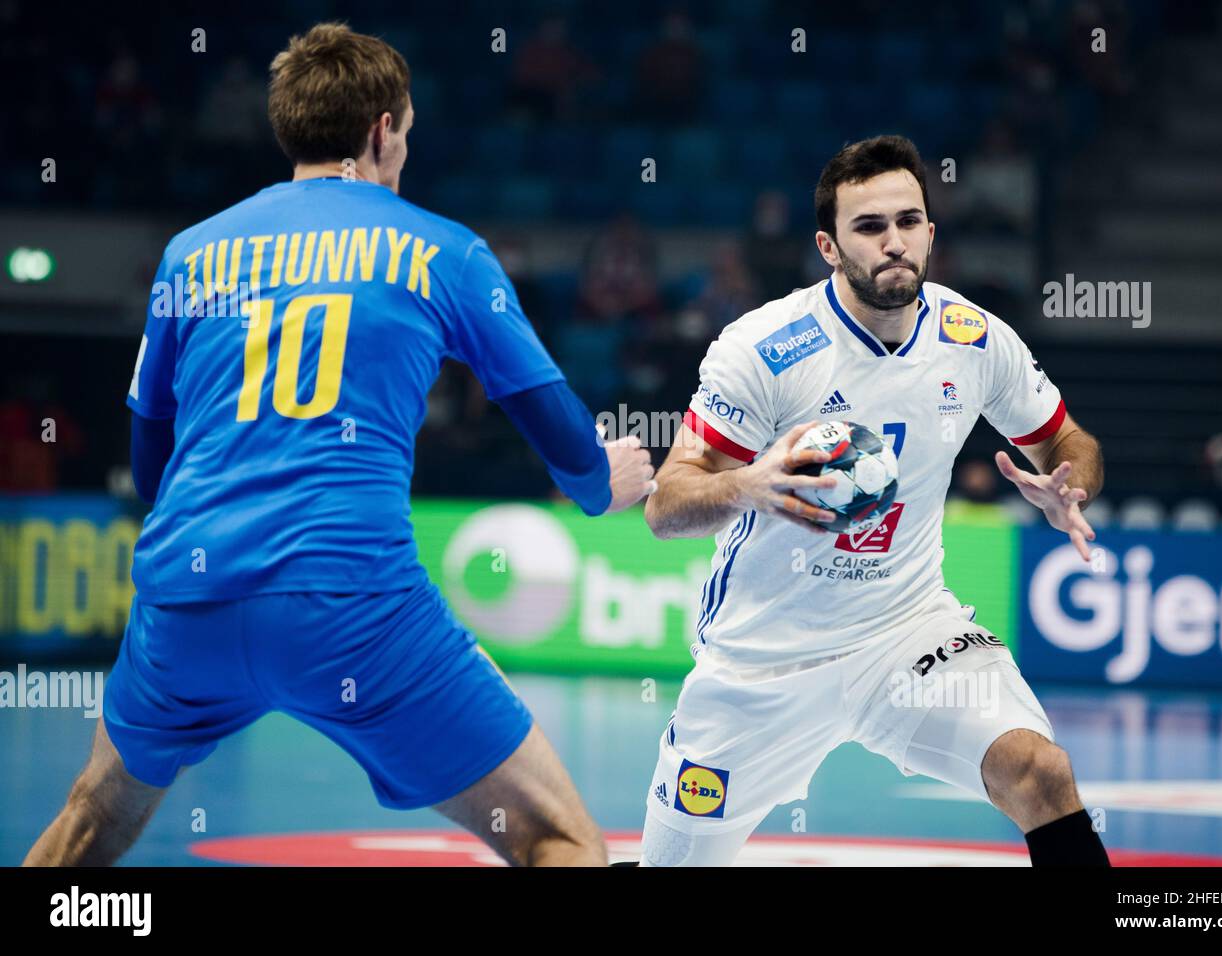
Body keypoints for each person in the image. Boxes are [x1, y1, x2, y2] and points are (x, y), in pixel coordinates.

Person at [24, 22, 653, 868]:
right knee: (561, 839)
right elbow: (567, 443)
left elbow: (149, 469)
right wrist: (599, 486)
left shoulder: (188, 255)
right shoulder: (445, 252)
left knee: (86, 827)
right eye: (407, 132)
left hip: (188, 600)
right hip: (352, 604)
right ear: (382, 131)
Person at [637, 135, 1109, 867]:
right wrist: (749, 483)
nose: (894, 242)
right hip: (764, 660)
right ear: (829, 246)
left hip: (906, 631)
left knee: (1041, 773)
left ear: (930, 231)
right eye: (869, 227)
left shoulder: (973, 338)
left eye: (908, 221)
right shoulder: (764, 347)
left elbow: (1068, 440)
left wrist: (1069, 484)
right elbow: (668, 506)